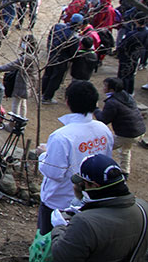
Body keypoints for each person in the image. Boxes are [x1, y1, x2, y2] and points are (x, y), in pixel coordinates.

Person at [37, 80, 114, 234]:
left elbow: (54, 173)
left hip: (58, 202)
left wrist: (44, 154)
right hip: (90, 199)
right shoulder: (103, 129)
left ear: (67, 102)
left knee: (49, 247)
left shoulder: (62, 136)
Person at [50, 154, 148, 262]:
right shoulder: (143, 207)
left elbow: (62, 257)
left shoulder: (84, 222)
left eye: (84, 183)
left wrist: (59, 227)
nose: (81, 186)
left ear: (95, 185)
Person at [94, 77, 145, 175]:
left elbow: (103, 119)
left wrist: (95, 109)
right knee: (125, 149)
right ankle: (124, 171)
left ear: (112, 90)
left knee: (101, 147)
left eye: (105, 86)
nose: (103, 87)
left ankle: (97, 168)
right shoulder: (126, 96)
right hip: (139, 131)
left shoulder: (112, 102)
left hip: (127, 134)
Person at [0, 34, 39, 119]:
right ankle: (22, 120)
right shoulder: (35, 55)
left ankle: (13, 123)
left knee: (16, 104)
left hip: (22, 83)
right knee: (23, 104)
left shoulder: (27, 57)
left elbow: (12, 65)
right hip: (29, 83)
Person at [41, 14, 81, 103]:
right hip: (62, 59)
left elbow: (49, 38)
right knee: (55, 78)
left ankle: (43, 92)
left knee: (47, 74)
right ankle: (47, 97)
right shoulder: (74, 37)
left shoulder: (57, 26)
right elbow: (72, 53)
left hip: (52, 54)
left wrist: (50, 49)